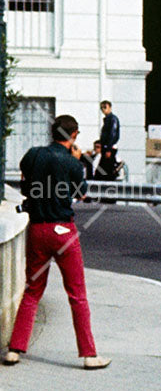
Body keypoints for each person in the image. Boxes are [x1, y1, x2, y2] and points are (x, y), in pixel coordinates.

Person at [4, 114, 110, 369]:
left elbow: (25, 180)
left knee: (32, 291)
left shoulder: (33, 155)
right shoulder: (72, 163)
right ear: (73, 135)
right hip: (63, 230)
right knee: (77, 295)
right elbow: (83, 194)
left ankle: (14, 350)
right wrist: (75, 164)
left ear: (53, 133)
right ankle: (89, 355)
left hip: (37, 229)